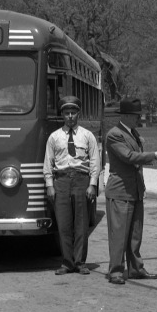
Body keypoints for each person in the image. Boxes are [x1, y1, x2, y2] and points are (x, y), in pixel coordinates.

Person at [104, 97, 157, 284]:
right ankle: (116, 270)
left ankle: (135, 268)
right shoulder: (115, 134)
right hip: (121, 190)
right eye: (135, 115)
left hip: (135, 190)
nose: (138, 118)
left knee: (135, 234)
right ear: (125, 115)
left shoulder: (133, 133)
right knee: (119, 234)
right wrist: (153, 155)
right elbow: (128, 156)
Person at [44, 95, 100, 275]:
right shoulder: (54, 137)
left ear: (78, 114)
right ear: (62, 115)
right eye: (67, 113)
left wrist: (92, 185)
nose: (70, 116)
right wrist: (50, 185)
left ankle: (80, 262)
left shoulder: (87, 136)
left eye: (73, 112)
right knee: (64, 223)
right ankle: (67, 262)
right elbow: (48, 163)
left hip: (81, 180)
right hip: (61, 181)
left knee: (81, 224)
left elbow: (95, 162)